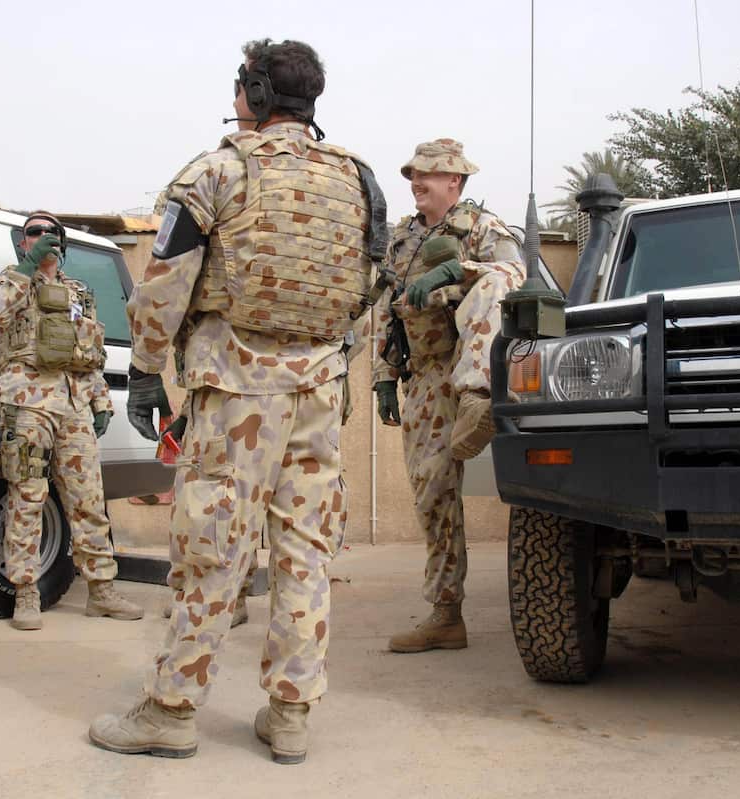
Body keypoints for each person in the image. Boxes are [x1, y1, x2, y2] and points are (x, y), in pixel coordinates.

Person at [89, 38, 384, 764]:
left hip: (237, 392)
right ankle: (290, 714)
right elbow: (371, 284)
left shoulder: (218, 170)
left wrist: (149, 372)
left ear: (253, 90)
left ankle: (171, 709)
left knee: (212, 549)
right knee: (305, 552)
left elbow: (162, 282)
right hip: (317, 392)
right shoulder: (359, 180)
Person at [370, 139, 526, 654]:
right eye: (414, 174)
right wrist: (385, 375)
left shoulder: (481, 226)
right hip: (423, 375)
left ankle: (478, 398)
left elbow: (513, 274)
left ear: (455, 181)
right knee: (431, 492)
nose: (417, 182)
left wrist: (458, 269)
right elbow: (387, 309)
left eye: (429, 175)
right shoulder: (403, 239)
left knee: (493, 282)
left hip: (465, 363)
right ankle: (446, 614)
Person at [0, 212, 142, 629]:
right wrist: (28, 270)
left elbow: (90, 354)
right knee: (28, 496)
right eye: (35, 232)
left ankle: (101, 590)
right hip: (29, 403)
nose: (44, 237)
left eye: (52, 232)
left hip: (73, 406)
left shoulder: (77, 293)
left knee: (88, 497)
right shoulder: (11, 282)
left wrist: (100, 401)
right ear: (23, 242)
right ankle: (26, 592)